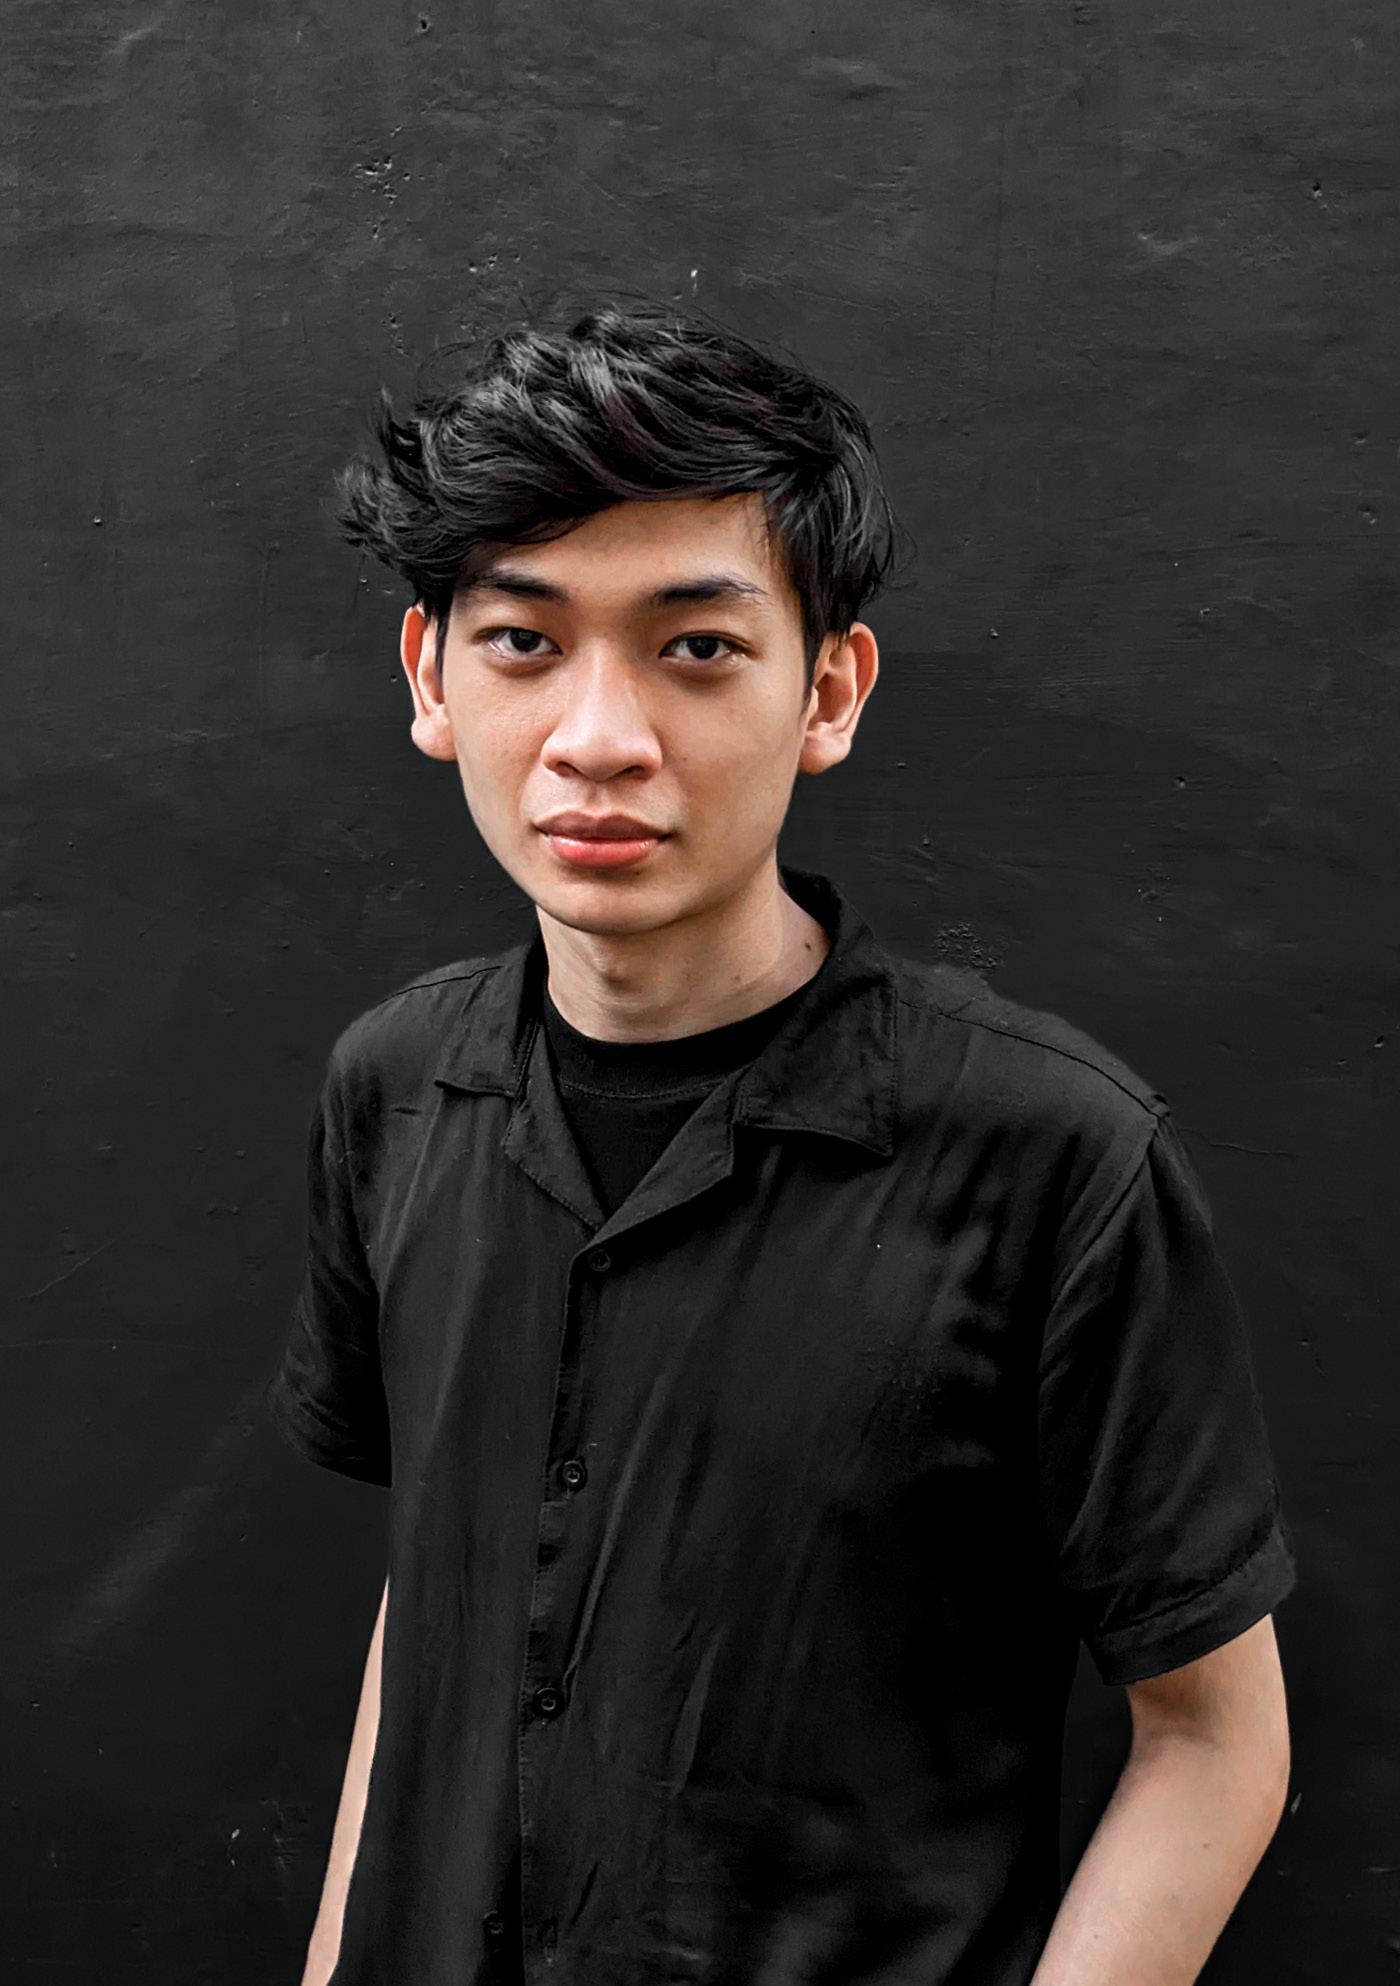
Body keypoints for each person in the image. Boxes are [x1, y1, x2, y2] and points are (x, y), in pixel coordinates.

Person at [265, 298, 1298, 1986]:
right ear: (431, 677)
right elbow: (443, 1596)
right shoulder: (391, 1089)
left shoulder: (1053, 1156)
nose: (599, 737)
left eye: (695, 647)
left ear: (828, 690)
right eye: (523, 640)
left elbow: (1215, 1737)